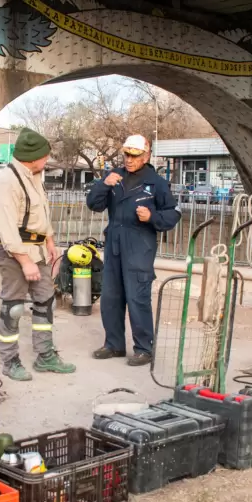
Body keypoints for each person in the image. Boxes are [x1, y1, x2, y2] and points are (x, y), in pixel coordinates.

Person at [86, 134, 181, 366]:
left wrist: (152, 217)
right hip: (114, 243)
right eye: (126, 155)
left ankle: (144, 348)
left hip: (140, 245)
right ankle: (114, 344)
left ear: (146, 155)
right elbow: (93, 204)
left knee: (137, 297)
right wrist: (103, 184)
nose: (129, 159)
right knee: (111, 297)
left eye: (135, 156)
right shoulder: (113, 176)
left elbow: (173, 213)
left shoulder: (156, 182)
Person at [0, 128, 76, 381]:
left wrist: (50, 240)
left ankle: (45, 356)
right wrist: (25, 261)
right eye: (45, 157)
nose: (47, 161)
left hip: (37, 249)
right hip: (14, 252)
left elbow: (40, 213)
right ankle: (9, 360)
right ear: (33, 157)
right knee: (13, 307)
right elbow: (7, 230)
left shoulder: (33, 175)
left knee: (45, 302)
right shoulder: (7, 181)